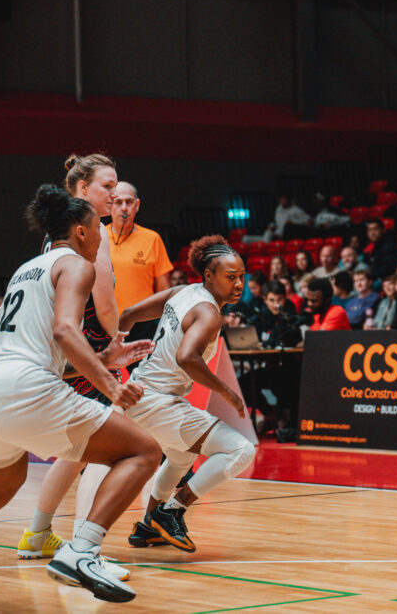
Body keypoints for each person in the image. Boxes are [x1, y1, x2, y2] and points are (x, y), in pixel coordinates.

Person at [0, 184, 160, 603]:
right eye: (97, 228)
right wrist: (112, 386)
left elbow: (40, 350)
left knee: (3, 483)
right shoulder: (79, 265)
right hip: (24, 386)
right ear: (81, 231)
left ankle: (65, 545)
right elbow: (65, 331)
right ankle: (81, 552)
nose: (101, 236)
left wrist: (104, 357)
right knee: (143, 452)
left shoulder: (26, 268)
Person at [20, 154, 127, 576]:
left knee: (74, 452)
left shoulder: (55, 237)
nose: (115, 193)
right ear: (82, 189)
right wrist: (119, 339)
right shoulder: (90, 238)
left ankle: (37, 532)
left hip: (62, 357)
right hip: (90, 353)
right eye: (107, 186)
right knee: (110, 449)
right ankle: (85, 546)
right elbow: (105, 309)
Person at [117, 235, 256, 554]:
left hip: (140, 392)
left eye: (241, 277)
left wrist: (115, 348)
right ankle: (172, 512)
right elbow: (186, 357)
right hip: (157, 401)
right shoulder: (209, 314)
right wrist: (226, 391)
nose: (238, 284)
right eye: (230, 276)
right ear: (208, 276)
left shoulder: (182, 292)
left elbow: (129, 314)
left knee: (181, 456)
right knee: (241, 451)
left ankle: (149, 523)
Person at [106, 182, 173, 352]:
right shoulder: (97, 236)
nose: (123, 208)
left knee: (141, 377)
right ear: (109, 205)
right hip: (104, 323)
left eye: (128, 202)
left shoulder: (152, 239)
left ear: (137, 205)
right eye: (118, 202)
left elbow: (164, 291)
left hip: (142, 325)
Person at [250, 280, 302, 347]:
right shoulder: (262, 314)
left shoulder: (291, 315)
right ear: (265, 300)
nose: (276, 305)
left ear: (285, 298)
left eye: (280, 299)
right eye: (272, 300)